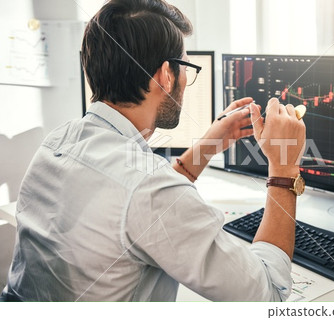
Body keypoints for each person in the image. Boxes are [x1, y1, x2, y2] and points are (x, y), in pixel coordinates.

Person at [2, 0, 305, 302]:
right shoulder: (149, 188)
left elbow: (137, 201)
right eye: (185, 67)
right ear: (166, 75)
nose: (186, 80)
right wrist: (283, 168)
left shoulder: (58, 141)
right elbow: (268, 295)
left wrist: (207, 147)